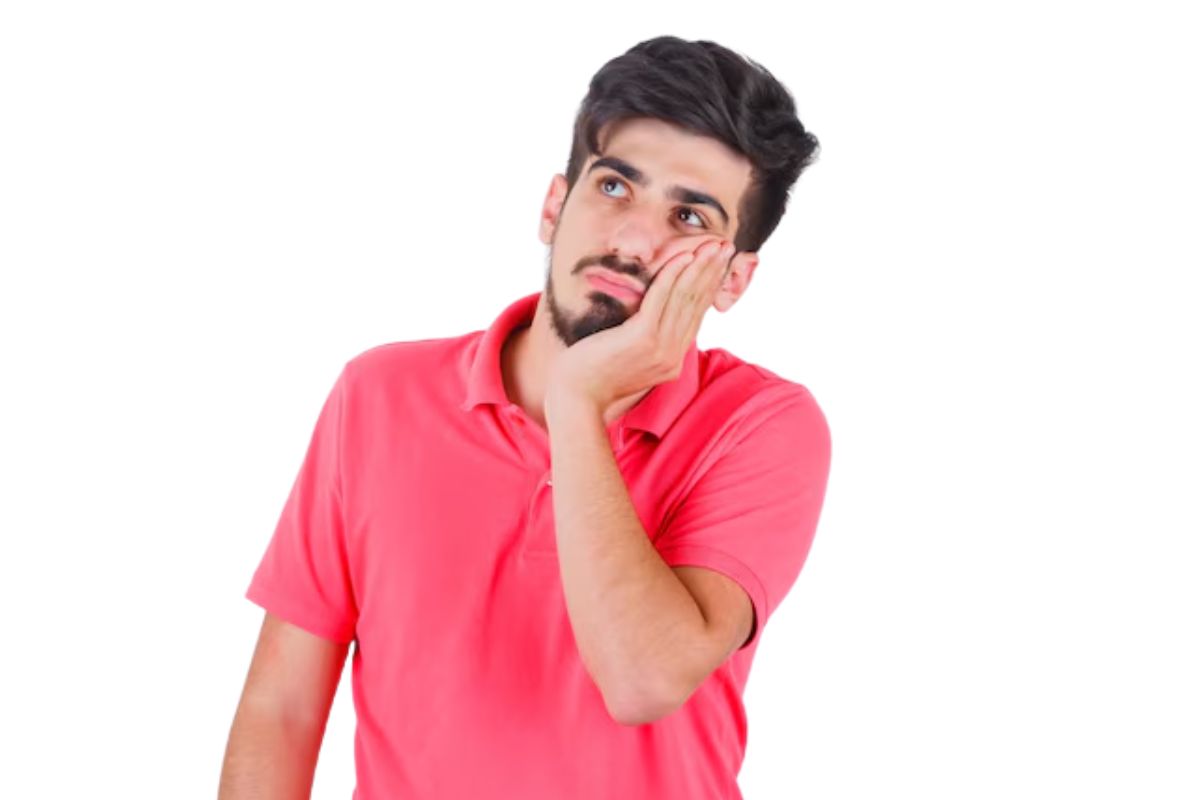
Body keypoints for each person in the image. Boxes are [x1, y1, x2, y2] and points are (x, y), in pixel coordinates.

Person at [219, 34, 831, 800]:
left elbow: (643, 679)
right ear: (554, 204)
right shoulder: (379, 396)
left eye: (688, 217)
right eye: (613, 188)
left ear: (733, 279)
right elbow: (281, 708)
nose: (634, 239)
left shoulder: (762, 426)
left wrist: (578, 401)